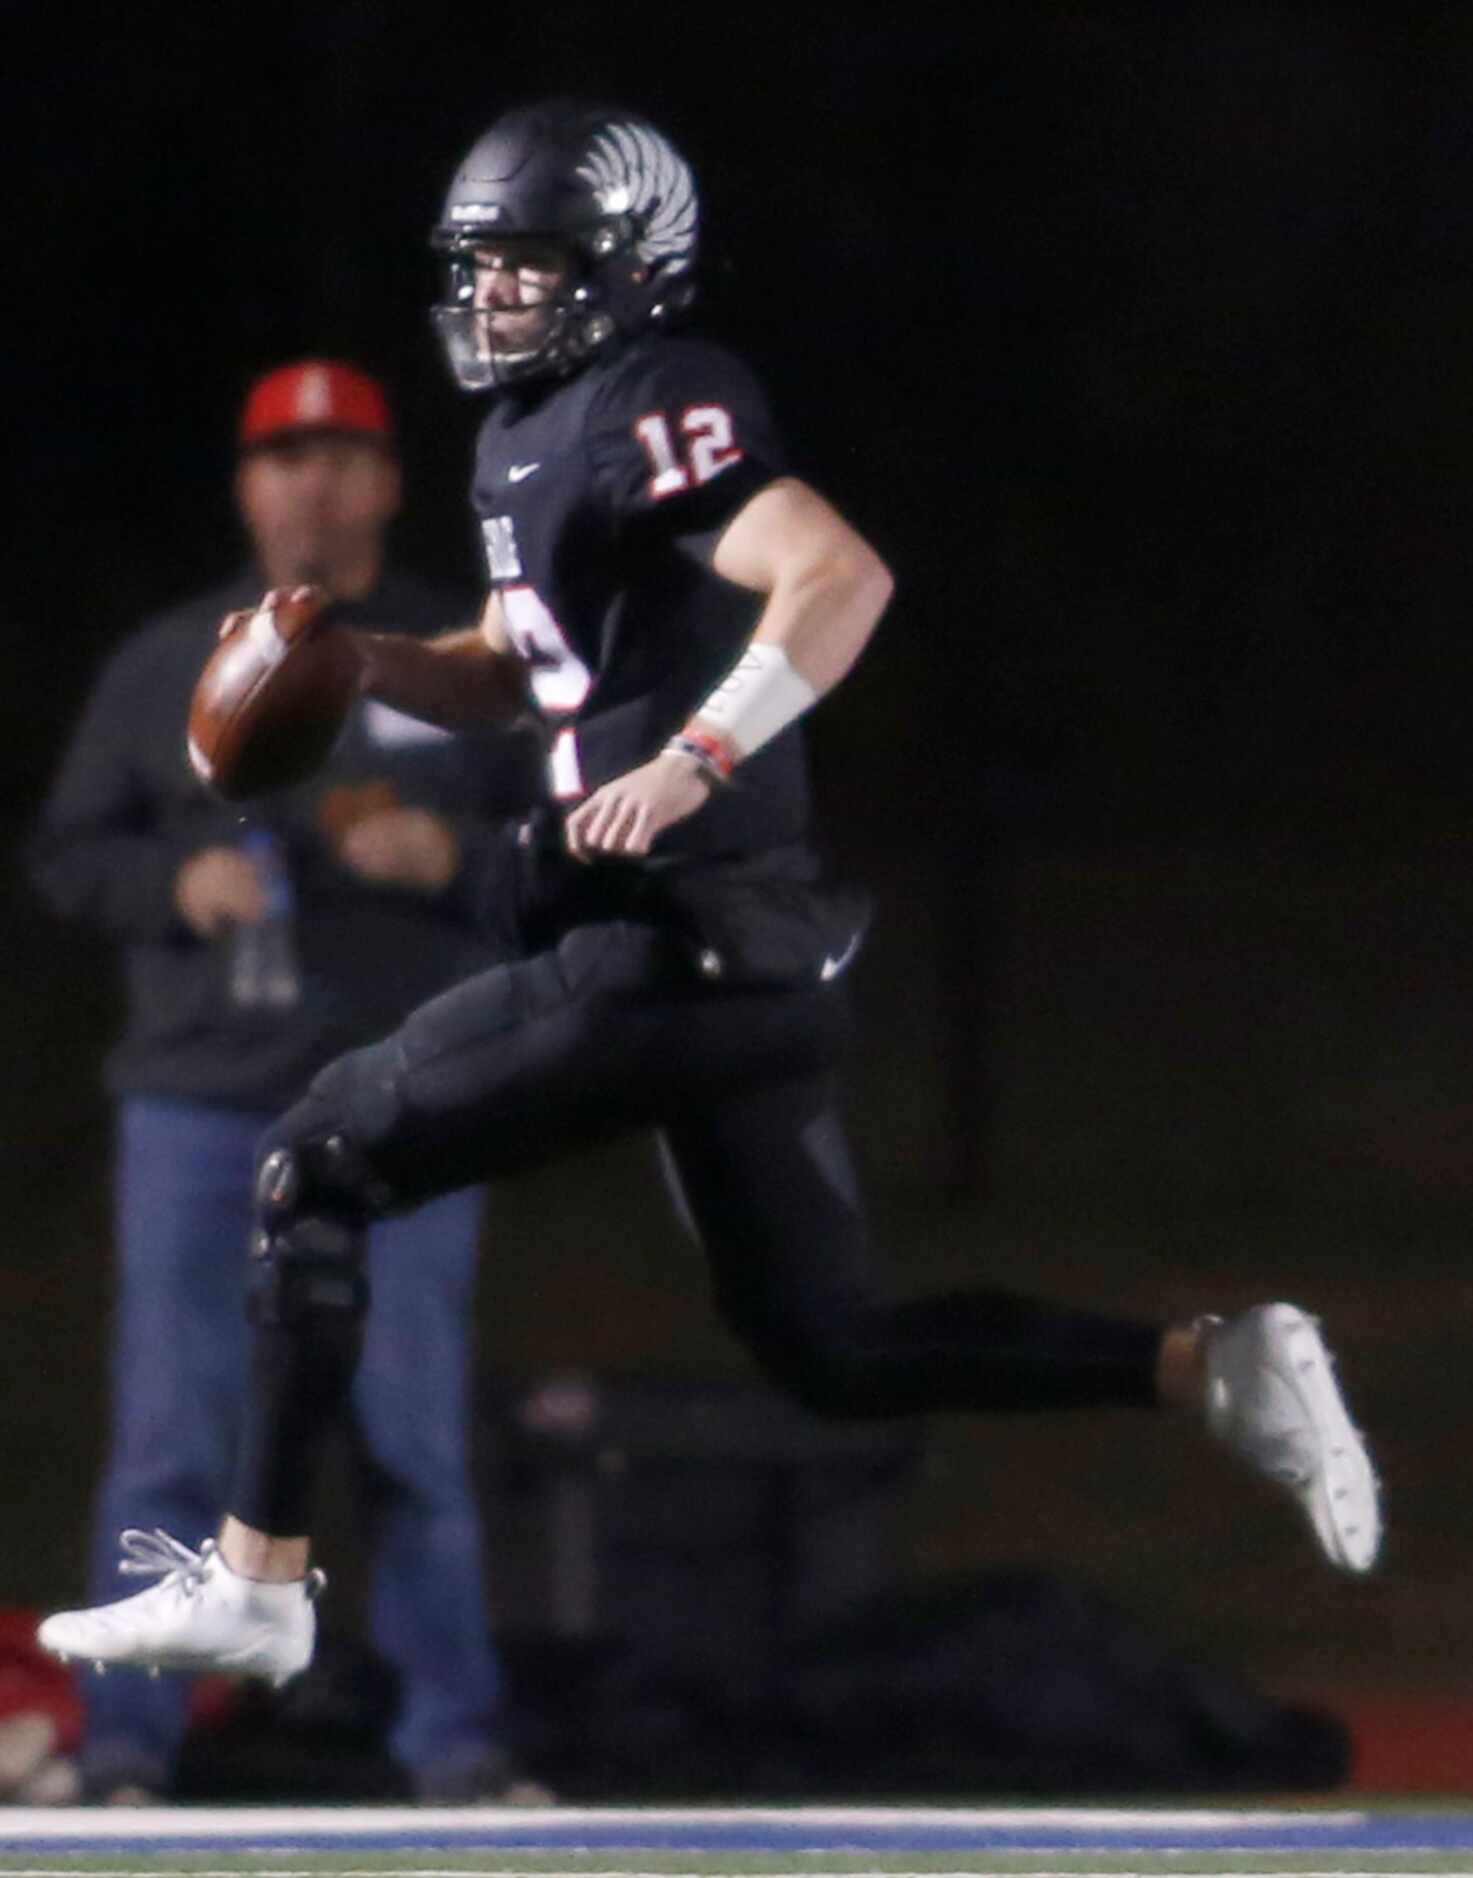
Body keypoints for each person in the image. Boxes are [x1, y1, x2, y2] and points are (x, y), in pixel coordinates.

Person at [37, 101, 1381, 1701]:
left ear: (622, 268)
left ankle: (257, 1586)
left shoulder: (651, 398)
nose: (492, 300)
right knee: (835, 1348)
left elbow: (839, 575)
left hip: (660, 940)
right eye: (479, 269)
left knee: (313, 1155)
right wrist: (369, 659)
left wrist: (691, 757)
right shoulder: (527, 434)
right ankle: (1213, 1362)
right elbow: (521, 671)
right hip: (744, 967)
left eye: (527, 268)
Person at [28, 360, 546, 1803]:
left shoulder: (467, 653)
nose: (313, 480)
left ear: (388, 480)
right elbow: (72, 852)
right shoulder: (163, 661)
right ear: (248, 486)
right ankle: (124, 1752)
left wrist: (457, 864)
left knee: (412, 1436)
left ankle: (457, 1747)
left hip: (401, 1103)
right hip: (201, 1105)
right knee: (172, 1441)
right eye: (283, 456)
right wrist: (170, 879)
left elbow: (574, 854)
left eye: (343, 455)